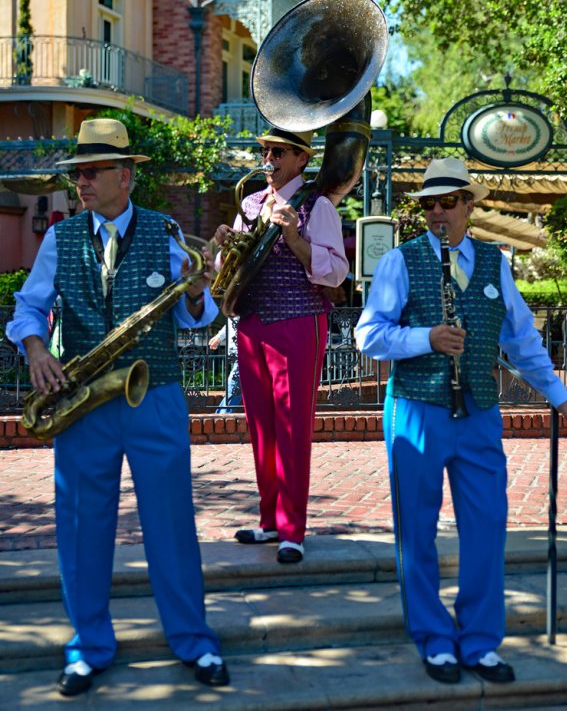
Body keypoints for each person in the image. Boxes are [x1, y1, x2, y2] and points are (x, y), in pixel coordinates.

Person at [7, 119, 229, 696]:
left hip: (153, 396)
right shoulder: (60, 237)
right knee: (81, 526)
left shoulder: (169, 230)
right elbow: (29, 309)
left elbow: (196, 317)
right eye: (77, 173)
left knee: (172, 524)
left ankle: (194, 641)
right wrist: (35, 347)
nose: (81, 182)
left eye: (92, 171)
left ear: (125, 176)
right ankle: (87, 647)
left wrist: (200, 290)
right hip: (82, 401)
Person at [355, 156, 567, 686]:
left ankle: (480, 640)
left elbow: (522, 338)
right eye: (428, 204)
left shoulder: (494, 261)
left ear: (467, 205)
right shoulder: (400, 261)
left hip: (479, 411)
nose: (437, 211)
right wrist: (424, 339)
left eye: (448, 202)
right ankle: (435, 640)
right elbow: (367, 335)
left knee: (486, 529)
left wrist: (559, 396)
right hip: (416, 407)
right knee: (417, 530)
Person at [213, 128, 349, 564]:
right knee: (261, 428)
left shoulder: (317, 205)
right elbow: (230, 269)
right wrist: (224, 248)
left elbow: (336, 274)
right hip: (252, 323)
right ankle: (270, 519)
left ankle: (293, 529)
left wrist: (295, 237)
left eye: (277, 152)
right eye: (264, 150)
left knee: (293, 429)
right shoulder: (250, 204)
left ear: (300, 160)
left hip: (299, 323)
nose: (267, 158)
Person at [209, 316, 242, 413]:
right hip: (236, 349)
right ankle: (220, 417)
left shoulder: (245, 303)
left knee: (234, 385)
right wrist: (219, 337)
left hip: (244, 349)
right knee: (235, 385)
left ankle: (221, 417)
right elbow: (231, 322)